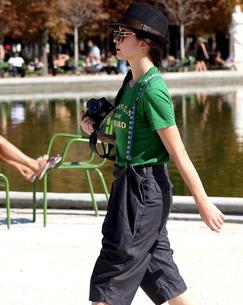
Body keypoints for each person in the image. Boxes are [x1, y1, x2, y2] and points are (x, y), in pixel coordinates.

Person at [80, 3, 224, 305]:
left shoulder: (153, 91)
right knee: (163, 278)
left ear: (143, 43)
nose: (116, 40)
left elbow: (178, 152)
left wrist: (203, 201)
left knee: (110, 277)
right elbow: (129, 143)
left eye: (122, 34)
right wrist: (98, 134)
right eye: (116, 34)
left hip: (143, 192)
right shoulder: (131, 84)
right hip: (130, 188)